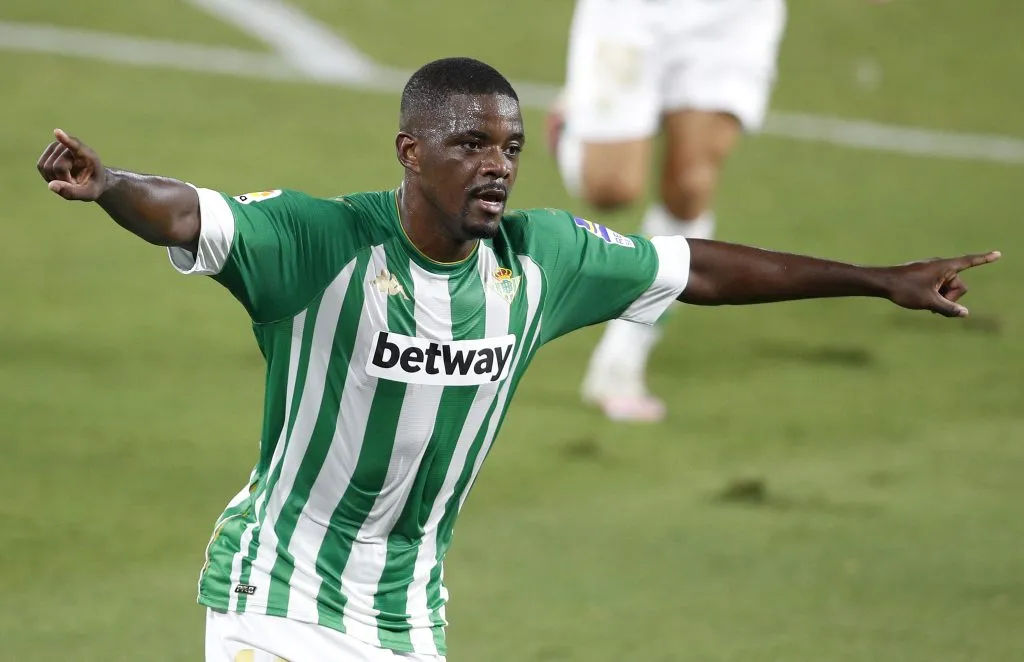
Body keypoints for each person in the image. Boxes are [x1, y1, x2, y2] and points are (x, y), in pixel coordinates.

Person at [36, 57, 997, 662]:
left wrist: (878, 279)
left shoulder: (544, 260)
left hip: (407, 614)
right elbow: (191, 211)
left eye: (512, 146)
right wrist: (110, 183)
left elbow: (696, 268)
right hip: (276, 594)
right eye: (472, 144)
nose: (497, 164)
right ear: (411, 151)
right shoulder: (321, 242)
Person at [547, 0, 788, 421]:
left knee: (693, 182)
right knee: (610, 188)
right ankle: (574, 125)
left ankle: (621, 360)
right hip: (635, 11)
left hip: (732, 15)